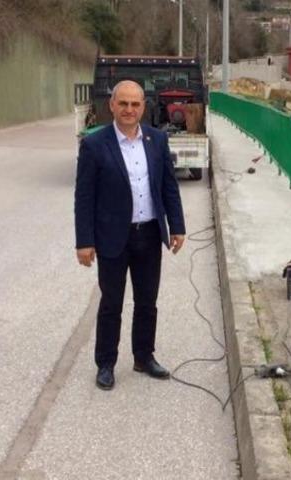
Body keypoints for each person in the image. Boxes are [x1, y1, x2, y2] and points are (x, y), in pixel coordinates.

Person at [74, 80, 186, 391]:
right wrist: (84, 242)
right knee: (111, 302)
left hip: (149, 234)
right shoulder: (95, 145)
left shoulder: (157, 140)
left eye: (135, 104)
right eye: (123, 103)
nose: (129, 110)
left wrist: (177, 226)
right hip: (112, 236)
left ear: (143, 107)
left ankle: (143, 357)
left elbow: (168, 187)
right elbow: (84, 197)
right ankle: (106, 363)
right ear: (111, 106)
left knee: (147, 301)